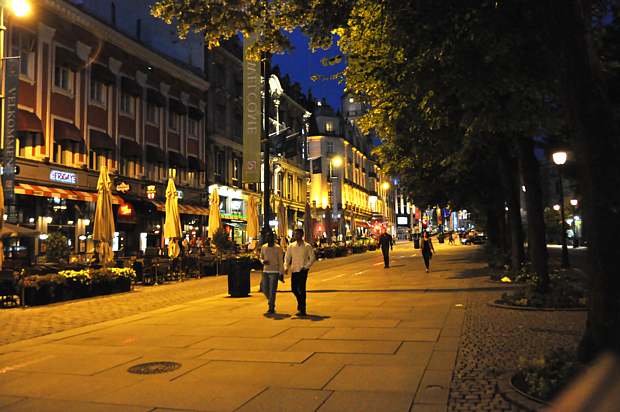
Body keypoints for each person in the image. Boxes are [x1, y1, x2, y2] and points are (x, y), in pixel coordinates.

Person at [284, 228, 316, 316]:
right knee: (293, 289)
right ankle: (300, 301)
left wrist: (306, 266)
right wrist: (286, 267)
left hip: (303, 270)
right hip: (294, 269)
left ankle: (303, 308)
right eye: (295, 234)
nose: (295, 235)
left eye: (297, 234)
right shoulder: (291, 246)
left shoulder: (307, 246)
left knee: (302, 289)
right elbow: (287, 257)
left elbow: (312, 257)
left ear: (302, 235)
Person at [260, 231, 285, 314]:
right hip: (265, 270)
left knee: (272, 290)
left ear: (273, 238)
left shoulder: (277, 248)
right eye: (266, 237)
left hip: (274, 271)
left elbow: (281, 261)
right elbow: (261, 257)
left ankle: (271, 306)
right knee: (264, 288)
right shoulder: (264, 247)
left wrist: (281, 273)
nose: (267, 239)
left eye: (269, 237)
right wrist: (263, 261)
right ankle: (270, 300)